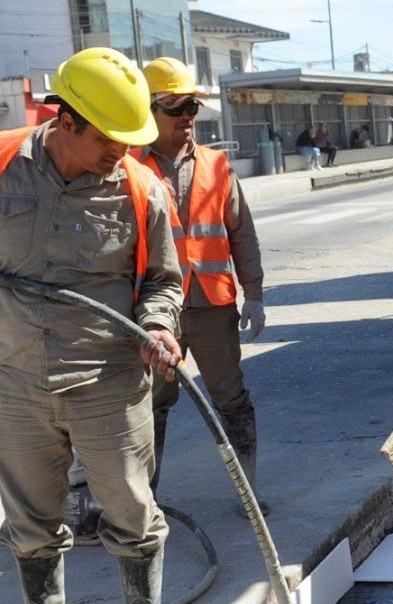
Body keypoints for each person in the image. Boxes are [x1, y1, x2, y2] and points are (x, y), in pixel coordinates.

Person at [0, 47, 183, 604]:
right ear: (66, 121)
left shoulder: (141, 189)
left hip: (108, 385)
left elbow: (164, 279)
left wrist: (159, 325)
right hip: (16, 384)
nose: (123, 150)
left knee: (132, 511)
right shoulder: (2, 165)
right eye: (111, 138)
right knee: (28, 517)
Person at [138, 56, 269, 516]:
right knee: (150, 404)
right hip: (156, 311)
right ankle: (144, 503)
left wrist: (253, 294)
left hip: (213, 306)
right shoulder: (131, 171)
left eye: (193, 107)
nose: (188, 117)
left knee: (231, 399)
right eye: (177, 108)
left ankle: (249, 494)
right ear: (150, 110)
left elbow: (242, 233)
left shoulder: (217, 166)